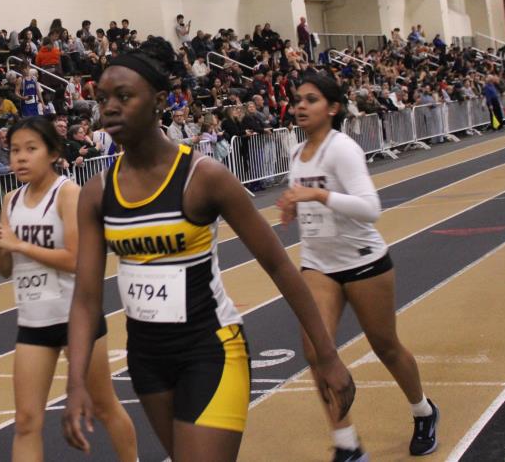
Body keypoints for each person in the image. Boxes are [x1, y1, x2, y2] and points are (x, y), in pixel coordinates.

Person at [62, 37, 354, 461]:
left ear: (159, 101)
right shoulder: (97, 192)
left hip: (210, 349)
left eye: (124, 97)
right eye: (102, 98)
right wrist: (75, 383)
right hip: (146, 359)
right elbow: (86, 299)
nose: (109, 108)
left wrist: (326, 356)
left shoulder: (203, 177)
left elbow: (278, 264)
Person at [279, 74, 437, 460]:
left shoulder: (342, 149)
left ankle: (423, 410)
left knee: (386, 346)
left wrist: (318, 194)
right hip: (318, 265)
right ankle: (347, 444)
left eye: (311, 99)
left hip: (364, 262)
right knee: (316, 351)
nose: (300, 106)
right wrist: (294, 205)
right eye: (297, 100)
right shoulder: (296, 154)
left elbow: (370, 208)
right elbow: (309, 200)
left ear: (332, 107)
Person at [0, 117, 136, 460]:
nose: (21, 158)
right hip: (33, 321)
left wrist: (19, 244)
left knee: (104, 405)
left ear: (52, 153)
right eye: (15, 151)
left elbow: (78, 260)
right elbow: (5, 270)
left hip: (75, 318)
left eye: (30, 149)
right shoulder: (10, 201)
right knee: (25, 421)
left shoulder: (67, 194)